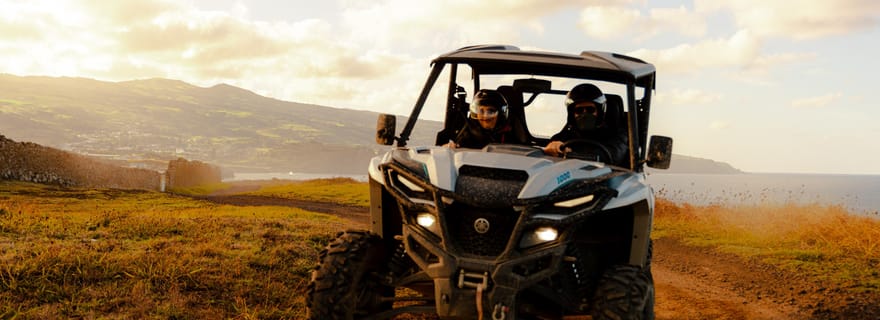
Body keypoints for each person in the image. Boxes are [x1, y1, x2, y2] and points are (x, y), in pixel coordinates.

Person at [543, 83, 627, 164]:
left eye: (590, 110)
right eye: (579, 110)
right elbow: (546, 153)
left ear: (600, 112)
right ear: (572, 114)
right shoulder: (565, 135)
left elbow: (613, 155)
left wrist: (570, 153)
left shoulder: (617, 135)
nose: (584, 114)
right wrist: (552, 147)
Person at [446, 89, 519, 149]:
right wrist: (449, 149)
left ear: (500, 115)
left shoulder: (510, 137)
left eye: (491, 111)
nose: (485, 116)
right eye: (481, 111)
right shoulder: (467, 135)